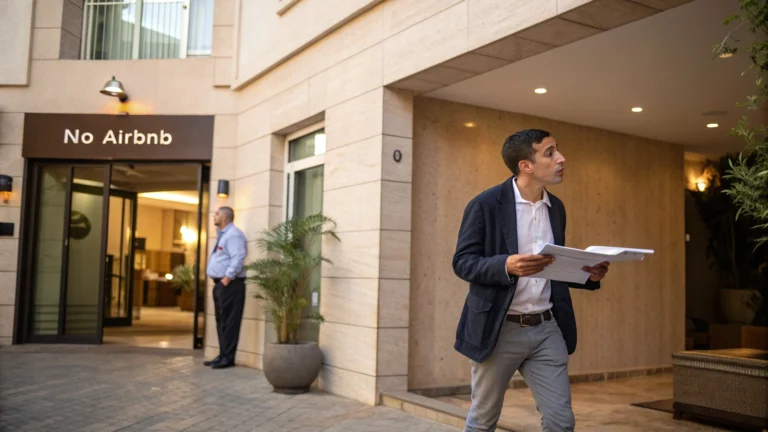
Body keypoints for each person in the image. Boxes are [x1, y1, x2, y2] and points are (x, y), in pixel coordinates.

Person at [453, 129, 610, 432]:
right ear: (526, 165)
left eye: (557, 150)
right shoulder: (484, 204)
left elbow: (551, 267)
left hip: (547, 328)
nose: (561, 159)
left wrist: (586, 275)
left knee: (561, 423)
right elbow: (462, 262)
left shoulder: (556, 208)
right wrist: (506, 265)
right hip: (498, 330)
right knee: (483, 421)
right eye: (550, 153)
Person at [204, 206, 247, 369]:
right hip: (221, 284)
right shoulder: (223, 235)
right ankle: (223, 355)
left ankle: (228, 358)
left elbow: (238, 258)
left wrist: (227, 280)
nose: (214, 216)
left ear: (224, 217)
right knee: (221, 321)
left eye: (216, 214)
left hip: (230, 285)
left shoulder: (234, 235)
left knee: (229, 322)